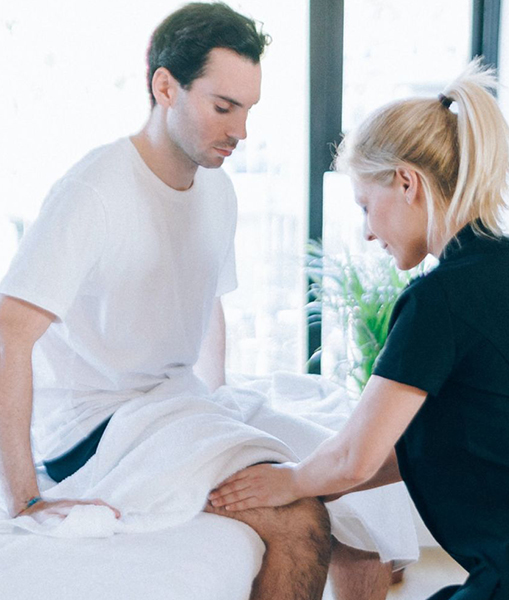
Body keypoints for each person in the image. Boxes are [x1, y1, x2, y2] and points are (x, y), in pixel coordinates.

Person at [0, 3, 406, 599]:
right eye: (224, 107)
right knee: (300, 517)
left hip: (175, 407)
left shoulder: (217, 188)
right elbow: (11, 333)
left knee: (367, 496)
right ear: (165, 86)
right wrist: (27, 496)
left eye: (248, 109)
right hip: (97, 431)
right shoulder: (95, 191)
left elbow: (206, 305)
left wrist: (218, 408)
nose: (241, 130)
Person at [210, 59, 509, 600]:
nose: (369, 233)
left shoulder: (438, 302)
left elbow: (355, 457)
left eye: (367, 206)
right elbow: (442, 445)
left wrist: (291, 481)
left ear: (408, 182)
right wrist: (313, 480)